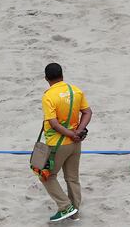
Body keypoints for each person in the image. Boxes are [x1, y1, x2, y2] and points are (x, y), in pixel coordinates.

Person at [40, 63, 92, 222]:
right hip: (76, 143)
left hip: (58, 144)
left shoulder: (48, 96)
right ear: (62, 75)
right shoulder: (75, 90)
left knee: (46, 176)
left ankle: (65, 206)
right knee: (72, 178)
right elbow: (87, 112)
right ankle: (74, 212)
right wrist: (78, 132)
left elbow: (54, 124)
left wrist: (71, 134)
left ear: (46, 78)